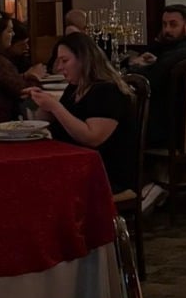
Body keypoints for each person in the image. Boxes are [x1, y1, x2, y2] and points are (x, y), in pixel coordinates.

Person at [23, 33, 137, 194]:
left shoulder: (108, 91)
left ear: (84, 59)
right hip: (73, 164)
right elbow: (49, 121)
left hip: (103, 173)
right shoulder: (75, 87)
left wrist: (55, 107)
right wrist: (41, 102)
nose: (59, 67)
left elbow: (92, 138)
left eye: (64, 61)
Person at [129, 3, 186, 159]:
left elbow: (149, 82)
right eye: (164, 24)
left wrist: (135, 66)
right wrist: (156, 62)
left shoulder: (176, 56)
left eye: (173, 25)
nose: (167, 30)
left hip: (167, 130)